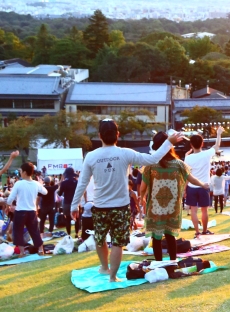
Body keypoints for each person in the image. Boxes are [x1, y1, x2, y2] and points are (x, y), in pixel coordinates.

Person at [70, 119, 184, 281]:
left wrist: (74, 205)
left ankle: (104, 267)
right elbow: (152, 159)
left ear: (99, 135)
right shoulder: (125, 153)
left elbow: (82, 182)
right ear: (118, 134)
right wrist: (168, 143)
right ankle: (113, 276)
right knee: (117, 242)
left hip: (100, 206)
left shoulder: (91, 156)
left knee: (100, 238)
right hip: (121, 206)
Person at [140, 131, 209, 261]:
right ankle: (172, 261)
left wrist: (142, 198)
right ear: (170, 145)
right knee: (171, 236)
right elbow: (192, 179)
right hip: (172, 208)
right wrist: (203, 184)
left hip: (155, 209)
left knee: (156, 237)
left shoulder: (150, 166)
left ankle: (158, 263)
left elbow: (143, 187)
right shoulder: (178, 164)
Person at [7, 162, 47, 256]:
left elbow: (10, 199)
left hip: (20, 211)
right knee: (35, 231)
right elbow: (45, 192)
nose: (20, 172)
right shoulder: (36, 184)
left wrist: (9, 205)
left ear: (24, 172)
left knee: (18, 231)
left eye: (20, 171)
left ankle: (22, 252)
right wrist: (41, 184)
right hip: (32, 211)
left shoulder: (19, 183)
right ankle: (41, 250)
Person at [183, 134, 213, 236]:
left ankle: (197, 232)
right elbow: (217, 145)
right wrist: (218, 134)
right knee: (204, 210)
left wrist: (184, 189)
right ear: (202, 143)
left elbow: (188, 175)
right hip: (204, 186)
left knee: (193, 211)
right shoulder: (207, 154)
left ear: (191, 145)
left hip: (192, 187)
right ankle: (205, 231)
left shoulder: (188, 158)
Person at [58, 166, 79, 236]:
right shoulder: (77, 182)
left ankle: (69, 234)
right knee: (77, 219)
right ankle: (76, 233)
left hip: (67, 203)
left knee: (68, 219)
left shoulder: (64, 183)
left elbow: (60, 193)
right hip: (76, 203)